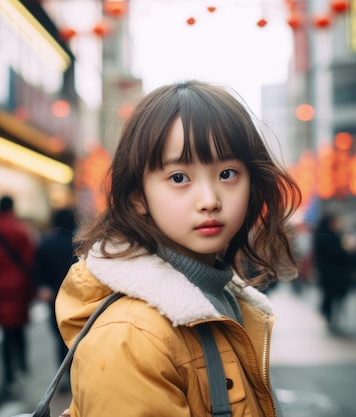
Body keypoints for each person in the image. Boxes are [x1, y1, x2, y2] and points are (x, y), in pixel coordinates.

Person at [55, 81, 301, 417]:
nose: (210, 201)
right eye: (179, 178)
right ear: (138, 196)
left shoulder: (221, 296)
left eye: (227, 174)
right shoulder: (130, 336)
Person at [0, 195, 35, 393]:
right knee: (19, 330)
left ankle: (8, 376)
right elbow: (30, 263)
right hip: (19, 289)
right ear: (12, 209)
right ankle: (22, 365)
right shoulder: (22, 231)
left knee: (5, 333)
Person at [32, 208, 78, 391]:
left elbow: (37, 272)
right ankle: (77, 374)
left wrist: (43, 287)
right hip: (78, 297)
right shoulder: (79, 244)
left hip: (55, 299)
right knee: (79, 337)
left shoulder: (46, 244)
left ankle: (64, 376)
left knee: (60, 338)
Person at [312, 214, 352, 331]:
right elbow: (339, 254)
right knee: (333, 296)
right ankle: (330, 316)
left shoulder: (320, 237)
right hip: (333, 273)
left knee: (329, 295)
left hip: (327, 272)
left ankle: (329, 315)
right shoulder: (331, 237)